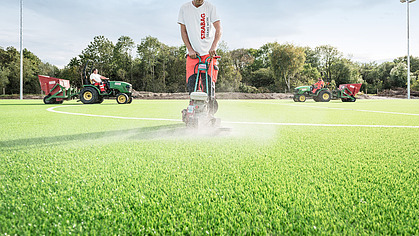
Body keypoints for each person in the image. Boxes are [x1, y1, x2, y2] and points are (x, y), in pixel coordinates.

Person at [178, 0, 222, 93]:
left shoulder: (210, 7)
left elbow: (218, 28)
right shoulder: (184, 8)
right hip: (193, 55)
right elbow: (183, 31)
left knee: (209, 87)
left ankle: (210, 106)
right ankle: (194, 105)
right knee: (192, 87)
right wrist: (190, 50)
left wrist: (213, 47)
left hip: (209, 54)